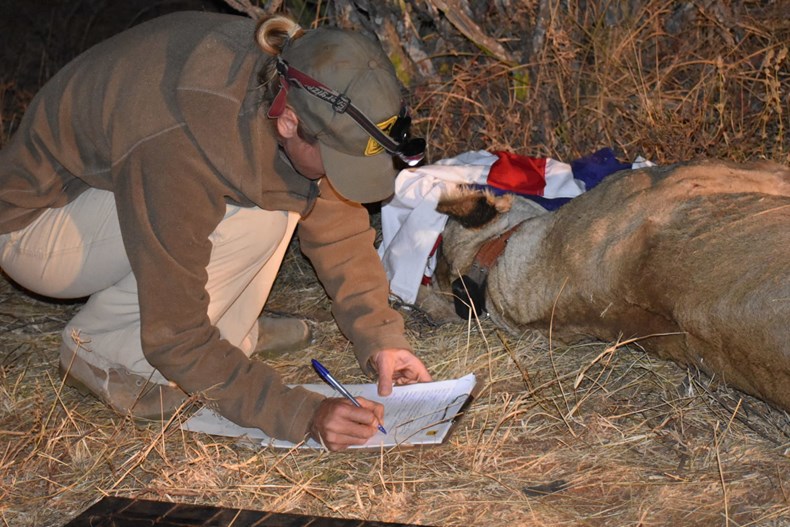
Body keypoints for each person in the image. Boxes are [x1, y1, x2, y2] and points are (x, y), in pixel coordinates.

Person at [0, 10, 432, 451]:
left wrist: (381, 338)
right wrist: (300, 413)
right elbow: (178, 335)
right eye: (338, 161)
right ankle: (102, 348)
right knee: (263, 212)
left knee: (275, 198)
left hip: (120, 187)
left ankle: (228, 331)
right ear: (287, 123)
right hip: (40, 226)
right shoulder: (182, 139)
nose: (342, 179)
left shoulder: (297, 79)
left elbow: (334, 222)